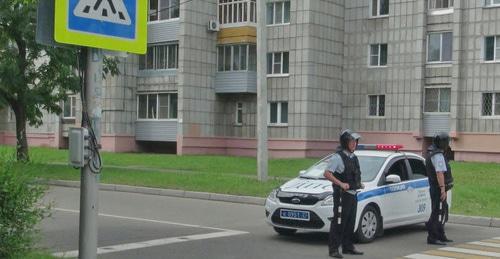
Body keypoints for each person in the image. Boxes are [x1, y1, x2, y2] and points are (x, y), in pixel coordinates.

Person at [324, 129, 364, 258]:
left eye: (355, 141)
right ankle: (333, 249)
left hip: (353, 194)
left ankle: (348, 247)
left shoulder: (354, 157)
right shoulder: (337, 157)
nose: (354, 144)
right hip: (342, 195)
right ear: (345, 142)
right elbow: (327, 173)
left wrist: (359, 183)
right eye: (351, 141)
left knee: (350, 222)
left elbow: (354, 174)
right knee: (339, 221)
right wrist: (340, 184)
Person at [425, 132, 454, 245]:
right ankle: (432, 237)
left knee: (441, 211)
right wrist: (442, 189)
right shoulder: (437, 155)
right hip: (437, 188)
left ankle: (441, 235)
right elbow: (439, 173)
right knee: (436, 212)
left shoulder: (433, 152)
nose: (447, 144)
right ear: (442, 143)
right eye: (446, 142)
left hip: (436, 187)